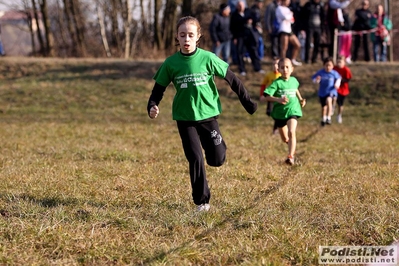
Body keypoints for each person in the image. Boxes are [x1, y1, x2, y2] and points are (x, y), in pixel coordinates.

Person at [147, 16, 257, 212]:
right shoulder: (171, 63)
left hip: (208, 116)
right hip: (184, 118)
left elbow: (232, 79)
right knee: (195, 158)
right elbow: (158, 89)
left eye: (191, 35)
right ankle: (202, 201)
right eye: (183, 35)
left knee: (217, 159)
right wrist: (152, 105)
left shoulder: (208, 58)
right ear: (177, 37)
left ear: (198, 37)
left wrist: (247, 102)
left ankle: (217, 148)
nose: (186, 39)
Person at [263, 58, 306, 165]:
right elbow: (267, 96)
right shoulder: (276, 83)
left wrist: (300, 99)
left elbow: (295, 89)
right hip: (280, 114)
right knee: (285, 138)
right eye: (282, 67)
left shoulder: (294, 80)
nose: (285, 69)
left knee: (292, 132)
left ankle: (290, 157)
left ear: (292, 69)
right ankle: (291, 144)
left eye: (287, 67)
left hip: (293, 111)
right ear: (279, 69)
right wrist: (278, 100)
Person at [230, 1, 263, 76]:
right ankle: (242, 69)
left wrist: (253, 22)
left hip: (249, 35)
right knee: (240, 53)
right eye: (239, 5)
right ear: (237, 6)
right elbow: (232, 27)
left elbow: (255, 19)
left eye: (242, 5)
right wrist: (234, 37)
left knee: (253, 51)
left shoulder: (249, 12)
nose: (241, 7)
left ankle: (257, 68)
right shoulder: (234, 15)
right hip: (240, 36)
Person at [312, 57, 341, 126]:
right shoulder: (321, 72)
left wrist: (337, 84)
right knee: (324, 107)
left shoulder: (334, 73)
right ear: (324, 65)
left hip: (331, 91)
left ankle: (328, 117)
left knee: (329, 101)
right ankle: (323, 118)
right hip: (322, 92)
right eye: (326, 65)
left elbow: (339, 79)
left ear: (333, 66)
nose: (328, 67)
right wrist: (317, 80)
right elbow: (314, 79)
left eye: (329, 65)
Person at [275, 0, 302, 66]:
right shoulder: (279, 8)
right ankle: (282, 62)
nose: (289, 2)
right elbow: (285, 17)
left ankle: (293, 59)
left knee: (297, 45)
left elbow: (292, 20)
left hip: (289, 29)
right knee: (284, 47)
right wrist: (290, 15)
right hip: (283, 29)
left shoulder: (288, 9)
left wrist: (289, 16)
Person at [259, 57, 281, 134]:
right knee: (269, 112)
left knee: (277, 113)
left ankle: (276, 129)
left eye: (277, 64)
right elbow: (263, 85)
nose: (275, 66)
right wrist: (262, 95)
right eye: (273, 64)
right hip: (270, 97)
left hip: (279, 98)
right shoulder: (269, 75)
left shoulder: (281, 75)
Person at [333, 55, 352, 124]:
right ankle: (332, 108)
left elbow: (348, 79)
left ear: (344, 63)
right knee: (332, 98)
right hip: (335, 88)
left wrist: (340, 80)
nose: (339, 64)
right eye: (338, 62)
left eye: (340, 62)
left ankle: (339, 115)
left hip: (343, 90)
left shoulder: (346, 70)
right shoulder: (334, 68)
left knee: (340, 104)